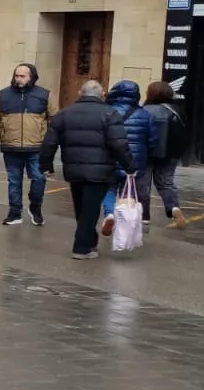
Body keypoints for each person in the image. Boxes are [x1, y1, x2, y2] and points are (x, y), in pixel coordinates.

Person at [40, 80, 135, 260]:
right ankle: (82, 247)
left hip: (73, 168)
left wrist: (46, 165)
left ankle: (90, 241)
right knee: (90, 209)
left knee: (82, 207)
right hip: (101, 170)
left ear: (79, 93)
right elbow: (119, 144)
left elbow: (49, 142)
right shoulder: (110, 114)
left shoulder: (64, 114)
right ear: (102, 94)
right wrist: (129, 166)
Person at [0, 64, 56, 226]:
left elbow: (54, 119)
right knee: (14, 181)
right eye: (16, 76)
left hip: (37, 147)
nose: (18, 79)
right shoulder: (2, 95)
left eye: (22, 76)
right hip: (11, 146)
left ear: (32, 77)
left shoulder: (45, 95)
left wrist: (51, 142)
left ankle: (35, 207)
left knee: (39, 179)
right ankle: (15, 213)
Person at [101, 80, 160, 231]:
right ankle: (124, 225)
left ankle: (109, 214)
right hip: (134, 160)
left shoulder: (105, 112)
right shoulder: (145, 115)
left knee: (109, 188)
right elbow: (153, 140)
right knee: (128, 190)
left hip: (109, 158)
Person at [142, 81, 187, 226]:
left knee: (143, 185)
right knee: (166, 183)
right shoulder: (178, 111)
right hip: (171, 154)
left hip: (147, 153)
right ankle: (173, 207)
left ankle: (144, 217)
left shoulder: (145, 110)